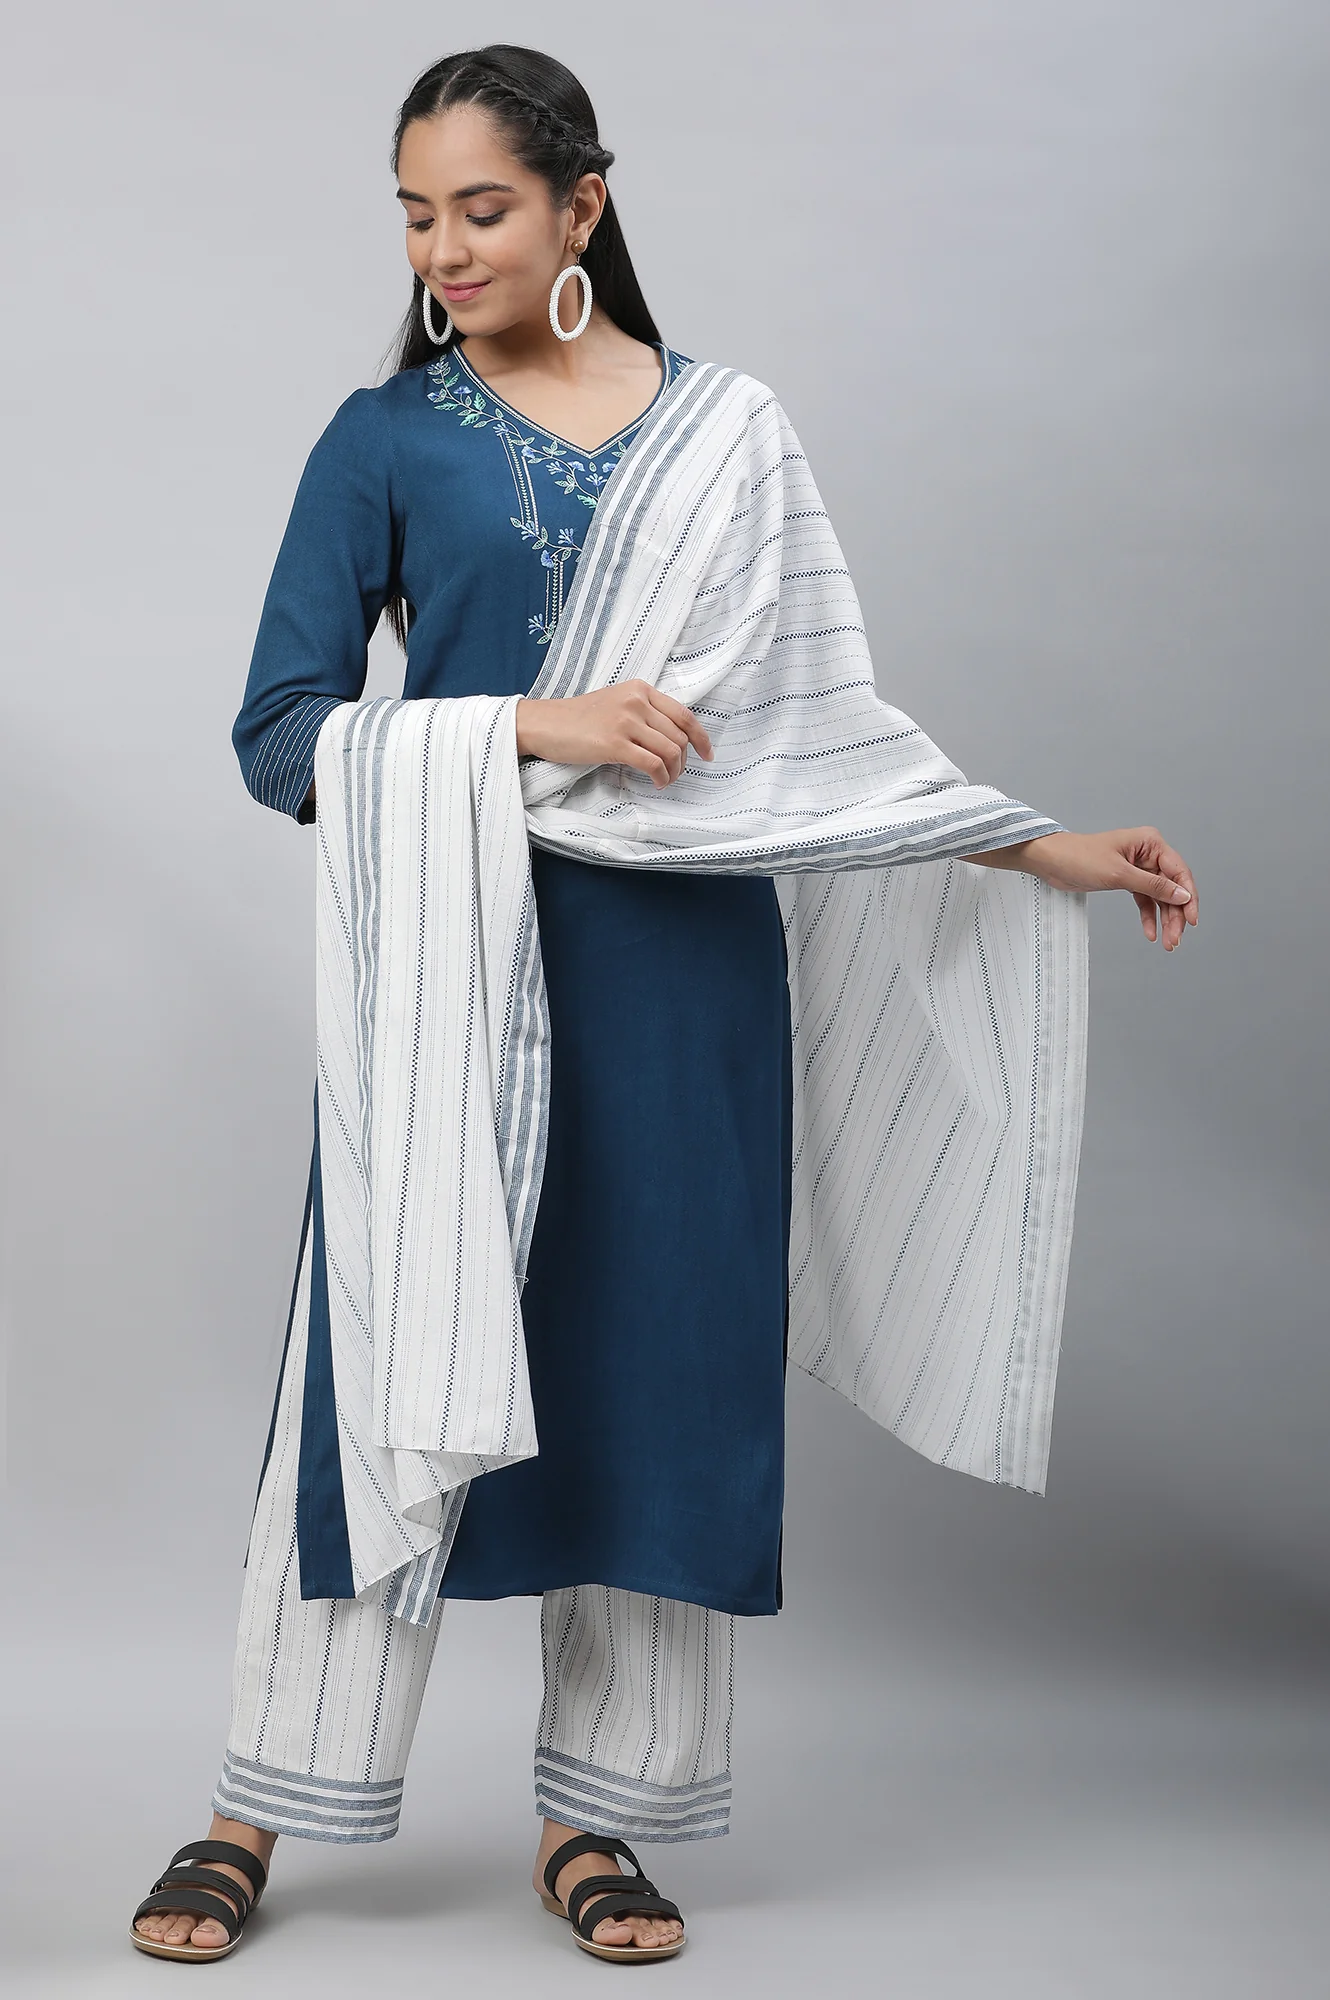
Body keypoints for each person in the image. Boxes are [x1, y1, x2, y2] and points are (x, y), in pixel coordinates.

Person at [129, 43, 1197, 1967]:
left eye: (481, 208)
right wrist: (537, 728)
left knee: (658, 1380)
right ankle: (256, 1804)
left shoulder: (732, 437)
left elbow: (820, 741)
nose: (444, 249)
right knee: (382, 1362)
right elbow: (281, 737)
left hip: (681, 984)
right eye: (414, 214)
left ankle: (600, 1824)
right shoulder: (383, 440)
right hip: (454, 971)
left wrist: (1042, 846)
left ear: (581, 206)